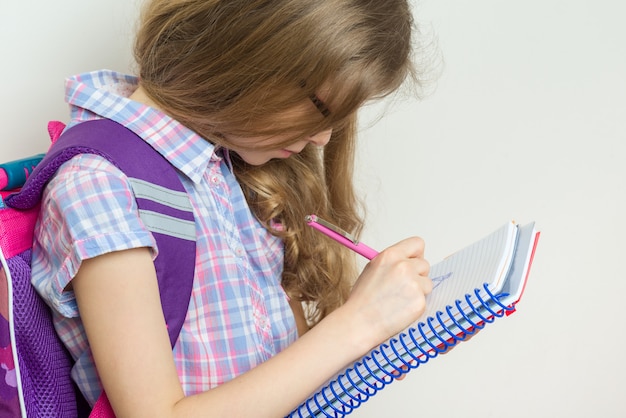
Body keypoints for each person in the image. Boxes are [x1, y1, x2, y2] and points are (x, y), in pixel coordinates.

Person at [31, 0, 433, 416]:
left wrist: (379, 333)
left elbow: (280, 377)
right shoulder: (101, 185)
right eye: (321, 107)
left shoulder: (232, 166)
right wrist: (358, 323)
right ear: (249, 48)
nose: (324, 138)